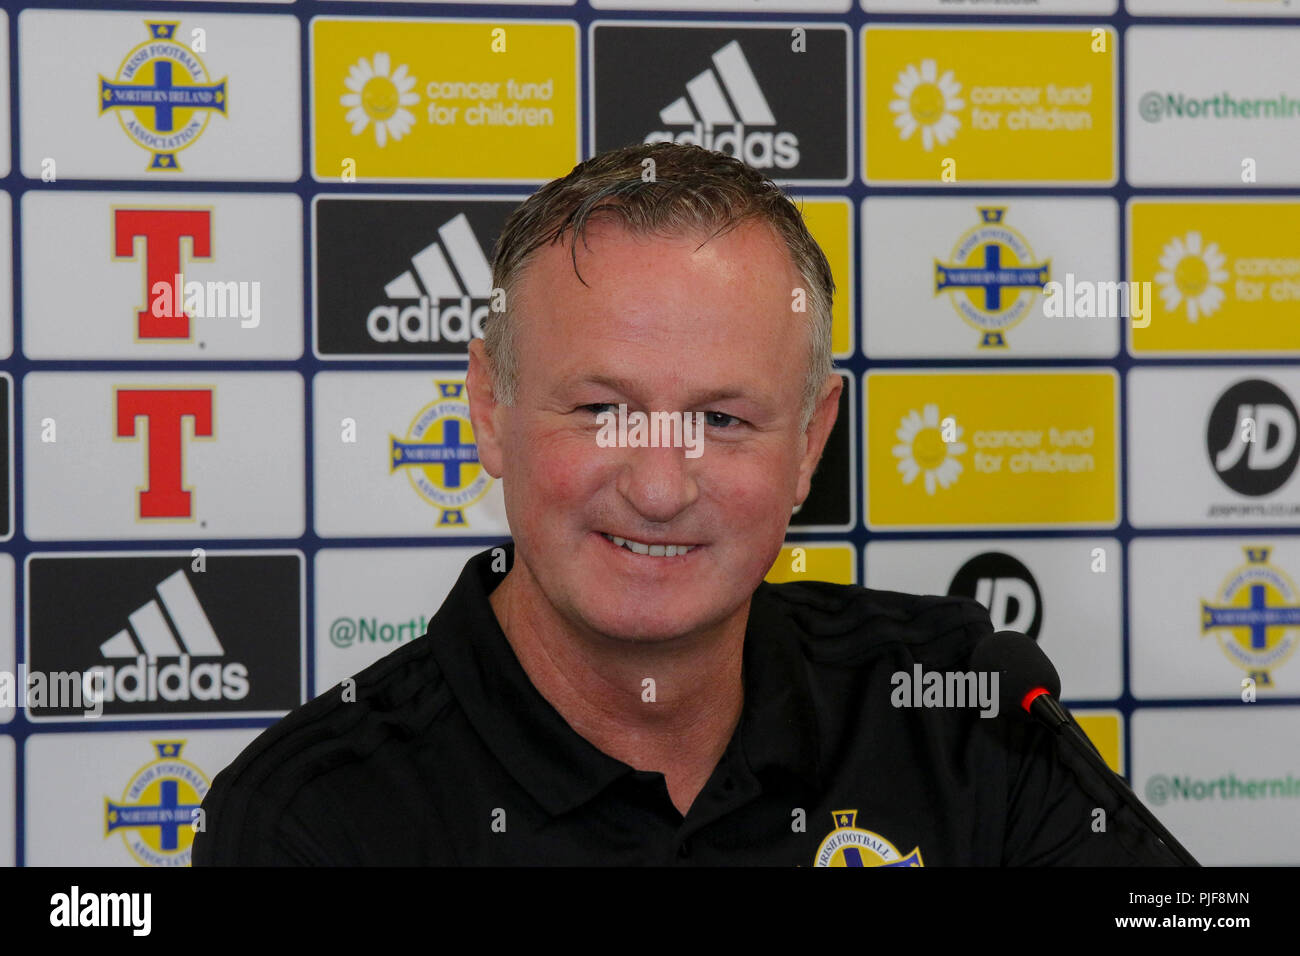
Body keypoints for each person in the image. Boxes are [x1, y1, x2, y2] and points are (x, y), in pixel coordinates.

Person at [194, 142, 1186, 865]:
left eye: (720, 418)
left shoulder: (962, 708)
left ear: (810, 439)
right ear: (488, 407)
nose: (660, 485)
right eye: (599, 409)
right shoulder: (311, 823)